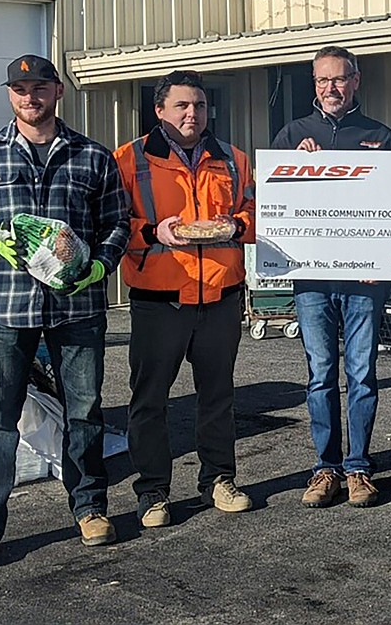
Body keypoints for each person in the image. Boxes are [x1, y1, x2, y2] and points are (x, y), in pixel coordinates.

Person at [0, 55, 130, 569]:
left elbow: (117, 223)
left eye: (38, 87)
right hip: (5, 308)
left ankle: (89, 508)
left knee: (84, 412)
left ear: (58, 92)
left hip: (76, 307)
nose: (29, 97)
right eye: (19, 89)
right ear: (10, 95)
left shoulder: (92, 156)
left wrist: (100, 267)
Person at [114, 70, 257, 529]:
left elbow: (256, 213)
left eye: (198, 104)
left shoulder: (233, 159)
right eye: (181, 105)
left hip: (220, 295)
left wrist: (238, 225)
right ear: (160, 111)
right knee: (150, 400)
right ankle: (153, 491)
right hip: (159, 299)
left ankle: (219, 480)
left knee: (217, 396)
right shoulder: (130, 160)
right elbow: (112, 225)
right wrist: (154, 231)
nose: (192, 113)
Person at [272, 45, 391, 508]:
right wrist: (298, 168)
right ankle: (325, 467)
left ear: (356, 81)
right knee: (321, 374)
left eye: (339, 79)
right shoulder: (292, 135)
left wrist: (380, 261)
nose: (331, 88)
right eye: (323, 80)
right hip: (312, 280)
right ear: (314, 83)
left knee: (362, 373)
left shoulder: (380, 136)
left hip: (364, 279)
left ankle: (359, 466)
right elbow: (276, 206)